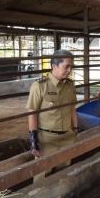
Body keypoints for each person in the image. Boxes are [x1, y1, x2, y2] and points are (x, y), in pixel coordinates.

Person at [26, 49, 79, 182]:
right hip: (47, 140)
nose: (69, 70)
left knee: (63, 174)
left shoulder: (70, 86)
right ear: (54, 66)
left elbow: (72, 109)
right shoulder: (39, 86)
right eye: (66, 66)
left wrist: (76, 130)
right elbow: (32, 113)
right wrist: (33, 140)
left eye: (71, 67)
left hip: (67, 137)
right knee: (42, 176)